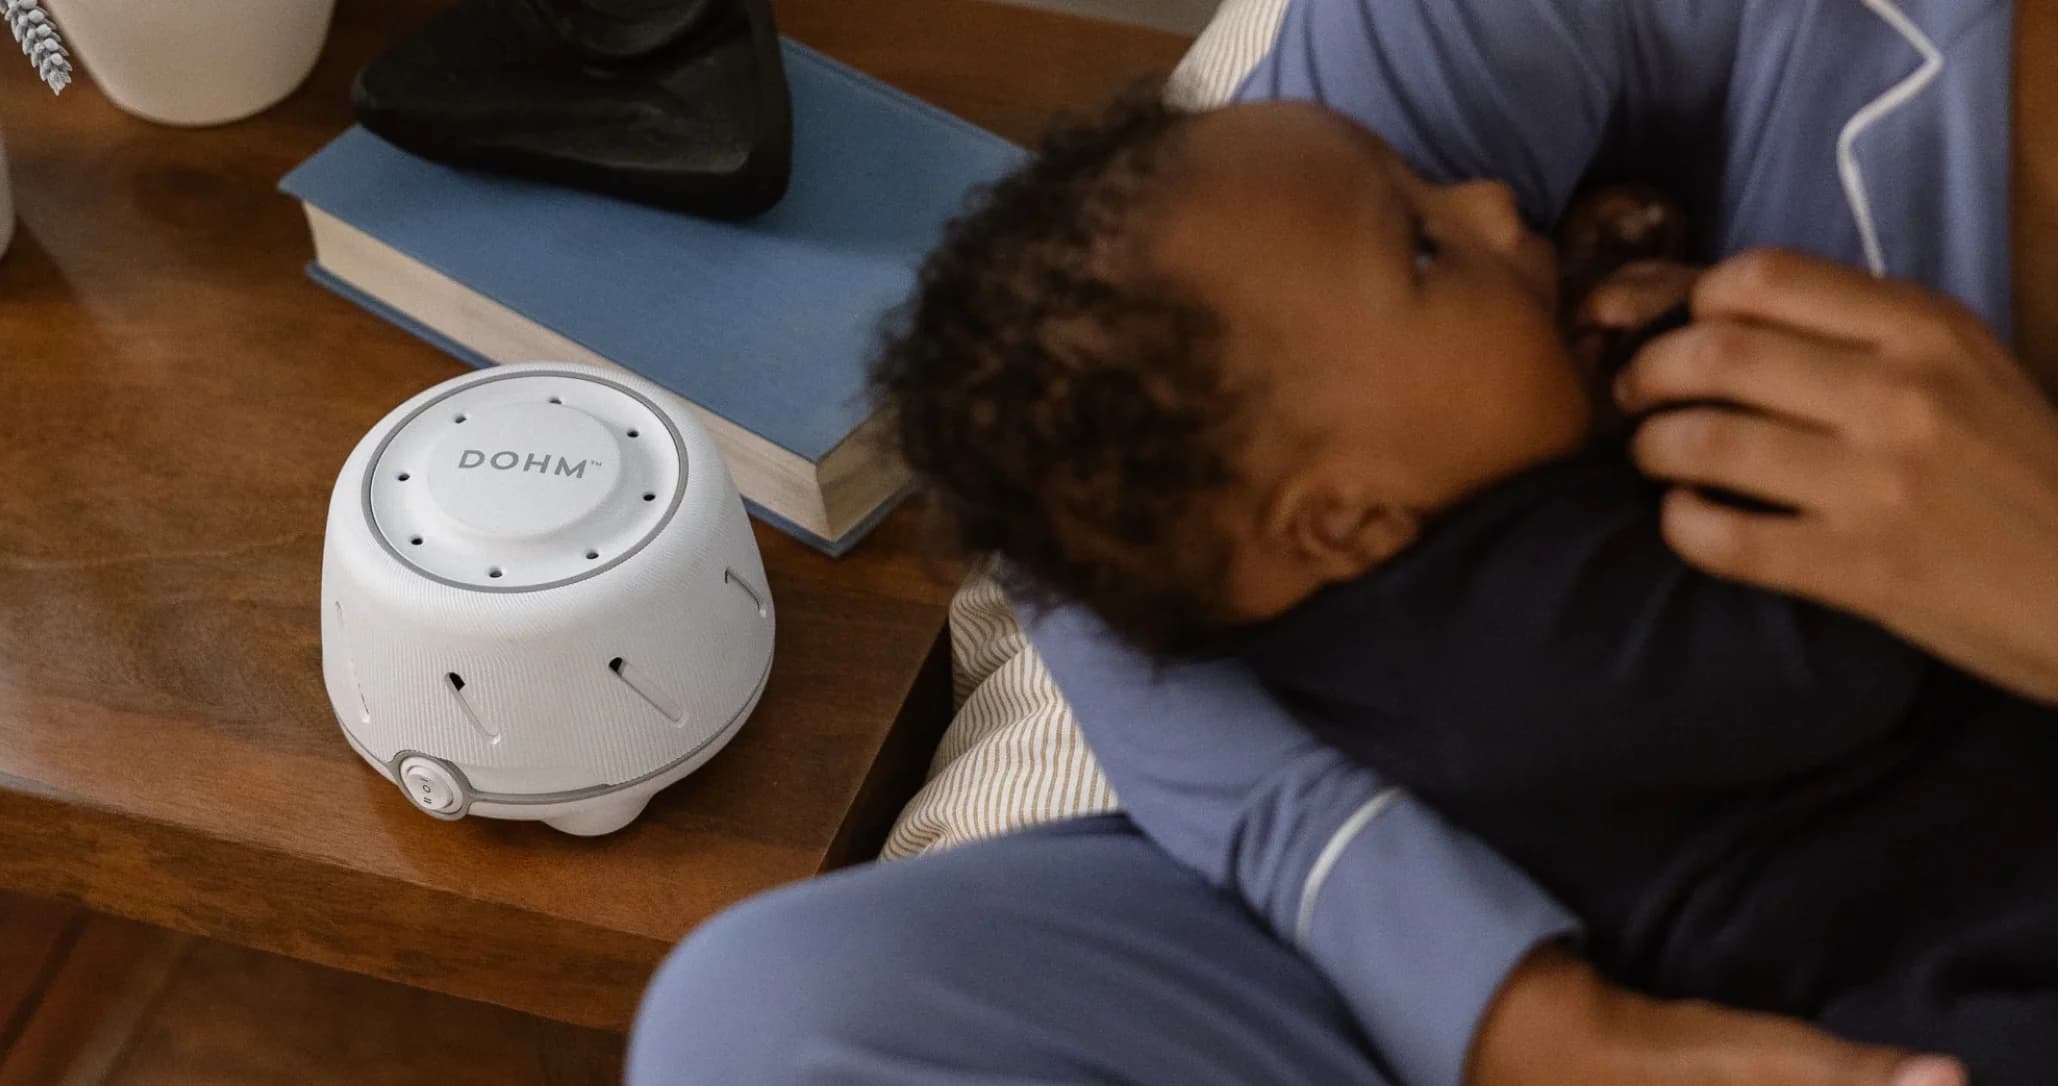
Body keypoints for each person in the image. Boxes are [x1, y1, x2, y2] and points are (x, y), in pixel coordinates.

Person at [628, 1, 2058, 1082]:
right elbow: (1090, 472)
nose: (1494, 205)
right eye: (1430, 243)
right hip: (1801, 925)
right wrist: (1512, 1013)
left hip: (1917, 892)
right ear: (1340, 521)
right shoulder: (1477, 627)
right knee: (778, 1020)